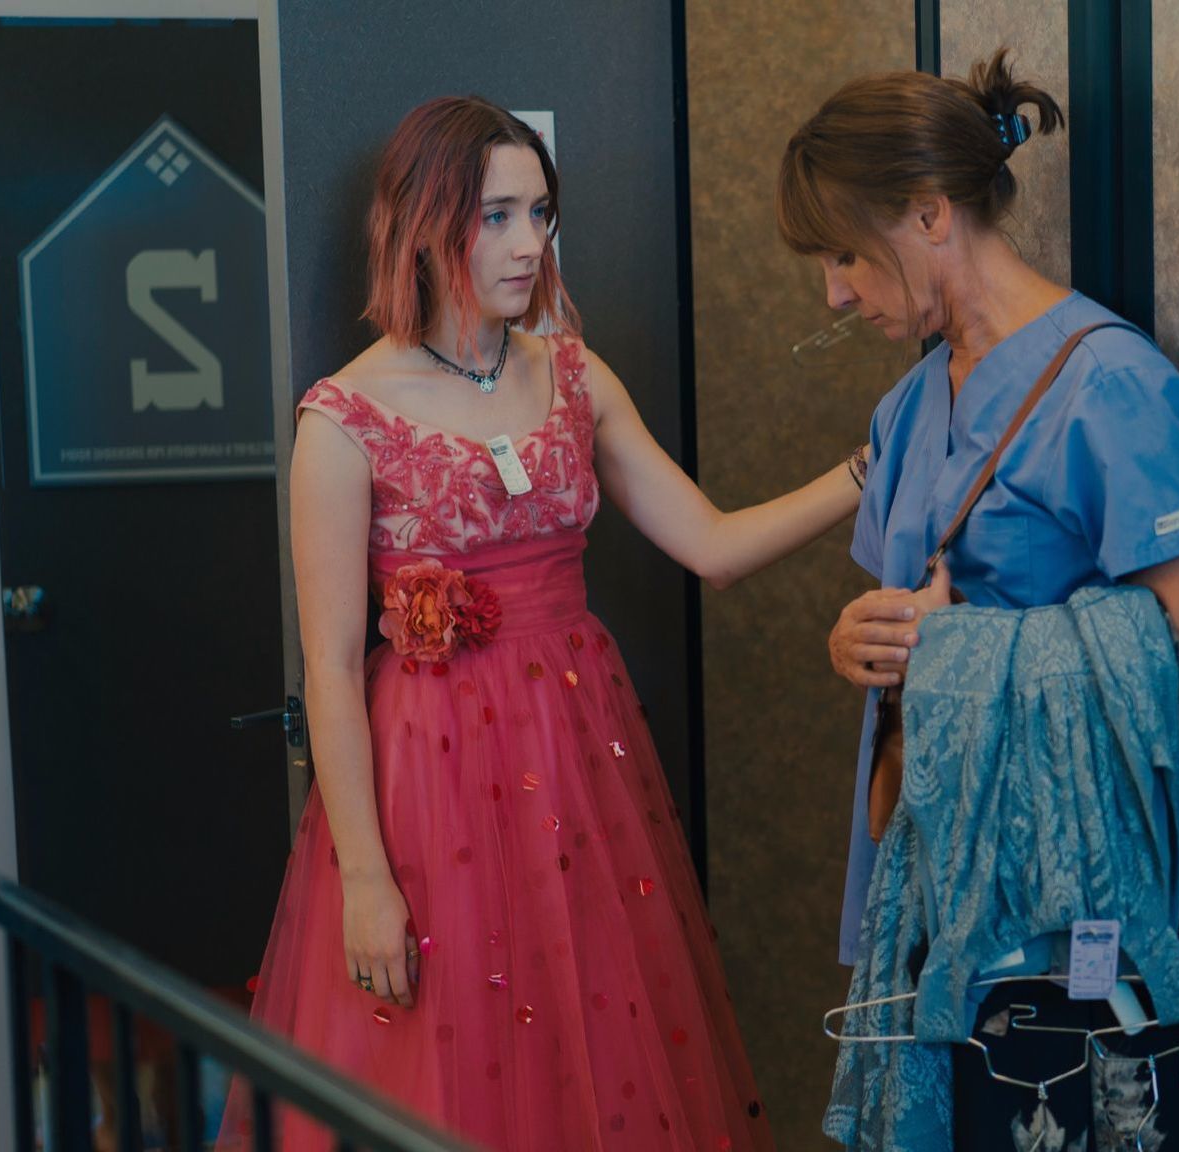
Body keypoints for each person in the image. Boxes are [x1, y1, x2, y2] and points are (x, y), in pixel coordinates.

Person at [230, 95, 863, 1152]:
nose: (528, 243)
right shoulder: (343, 418)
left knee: (593, 1037)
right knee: (442, 1053)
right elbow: (333, 670)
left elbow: (710, 544)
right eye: (496, 217)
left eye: (538, 212)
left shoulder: (571, 372)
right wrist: (368, 882)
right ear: (425, 223)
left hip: (578, 764)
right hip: (424, 785)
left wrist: (868, 468)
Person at [782, 51, 1179, 1149]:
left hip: (1063, 889)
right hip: (929, 871)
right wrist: (863, 639)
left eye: (846, 253)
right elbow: (902, 622)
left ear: (930, 215)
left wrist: (963, 647)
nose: (834, 291)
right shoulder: (905, 407)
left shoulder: (1111, 385)